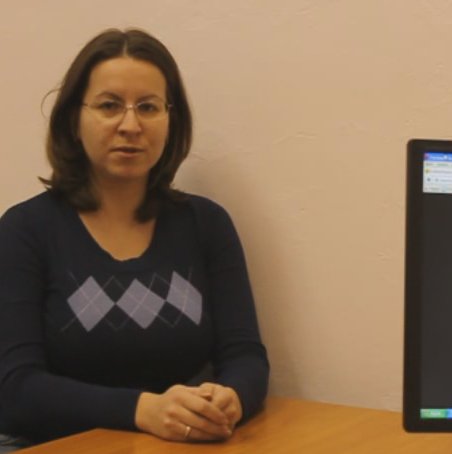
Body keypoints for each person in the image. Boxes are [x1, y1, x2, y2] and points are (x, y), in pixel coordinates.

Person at [0, 28, 269, 447]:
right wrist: (142, 410)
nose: (131, 125)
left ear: (171, 120)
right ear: (74, 120)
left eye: (148, 107)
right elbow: (15, 390)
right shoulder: (25, 230)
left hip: (176, 444)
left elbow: (245, 356)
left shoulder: (206, 224)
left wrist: (231, 398)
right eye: (109, 105)